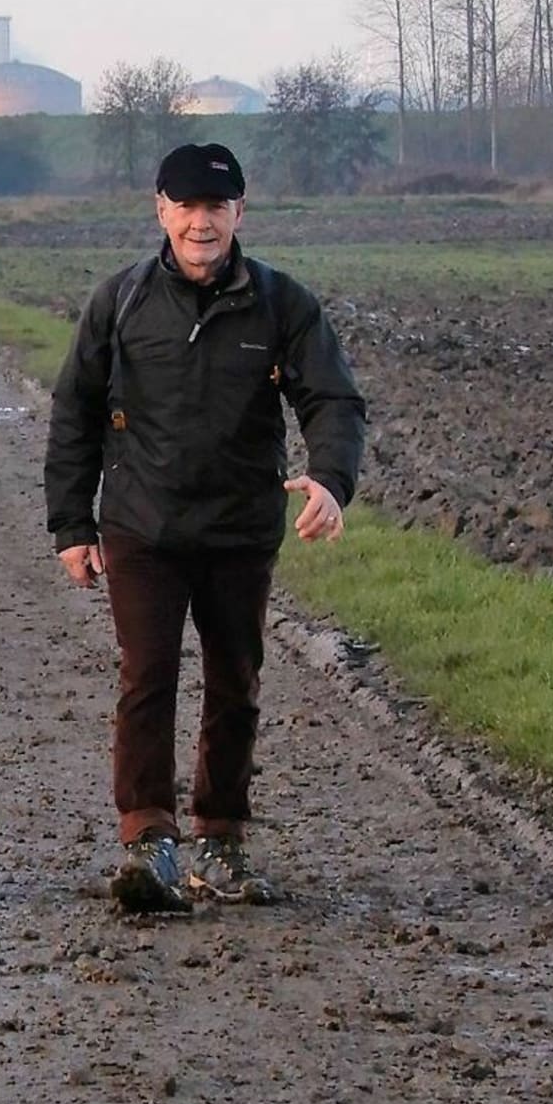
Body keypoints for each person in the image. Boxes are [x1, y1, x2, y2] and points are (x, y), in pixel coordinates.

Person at [44, 142, 365, 915]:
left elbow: (333, 400)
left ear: (239, 214)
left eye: (215, 209)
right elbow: (74, 413)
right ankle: (147, 839)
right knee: (147, 677)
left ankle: (219, 838)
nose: (200, 223)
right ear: (161, 210)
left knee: (236, 682)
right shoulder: (118, 301)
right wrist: (71, 526)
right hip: (141, 527)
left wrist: (330, 479)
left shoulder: (283, 304)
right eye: (185, 207)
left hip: (239, 530)